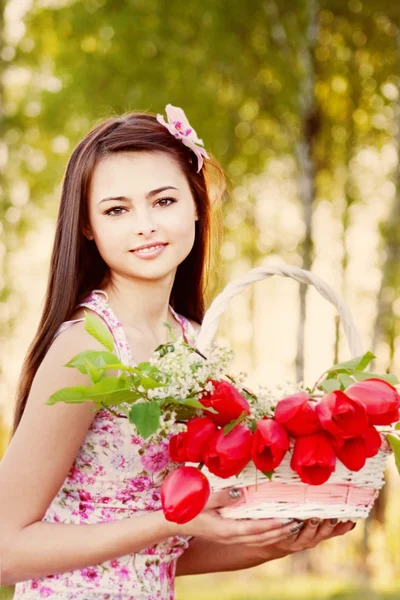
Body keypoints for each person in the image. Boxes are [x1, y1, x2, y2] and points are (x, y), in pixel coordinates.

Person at [0, 105, 355, 599]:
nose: (144, 224)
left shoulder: (191, 344)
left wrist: (275, 541)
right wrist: (169, 520)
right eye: (116, 210)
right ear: (87, 227)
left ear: (196, 203)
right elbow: (5, 552)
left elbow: (156, 553)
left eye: (163, 200)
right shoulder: (87, 347)